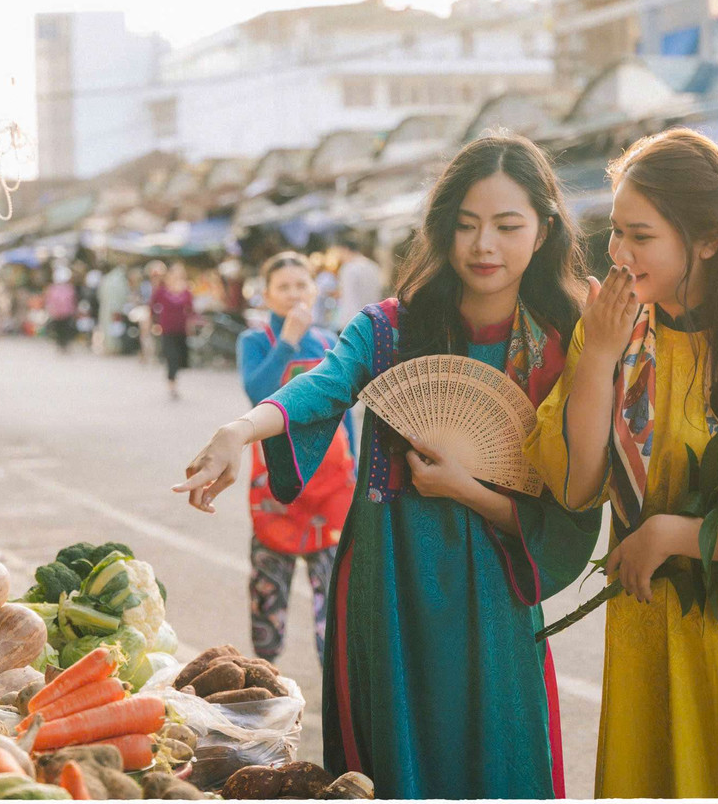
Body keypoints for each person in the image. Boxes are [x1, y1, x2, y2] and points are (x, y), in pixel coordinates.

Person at [173, 134, 600, 798]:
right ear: (441, 230)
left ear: (544, 230)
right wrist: (240, 429)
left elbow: (572, 503)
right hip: (390, 579)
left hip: (494, 589)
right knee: (394, 757)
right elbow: (323, 385)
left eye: (507, 226)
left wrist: (466, 488)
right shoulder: (389, 330)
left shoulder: (564, 349)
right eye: (465, 225)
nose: (484, 245)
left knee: (498, 751)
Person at [526, 127, 718, 797]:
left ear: (707, 239)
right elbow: (577, 484)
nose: (617, 253)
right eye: (614, 232)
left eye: (641, 236)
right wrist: (602, 357)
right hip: (646, 631)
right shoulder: (615, 325)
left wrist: (673, 533)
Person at [236, 252, 357, 667]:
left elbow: (344, 409)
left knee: (336, 593)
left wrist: (354, 463)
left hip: (330, 488)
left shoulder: (328, 341)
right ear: (267, 294)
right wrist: (286, 339)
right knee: (269, 591)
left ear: (314, 289)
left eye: (301, 285)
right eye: (283, 287)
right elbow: (258, 394)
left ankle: (335, 679)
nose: (293, 294)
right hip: (277, 486)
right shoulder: (255, 341)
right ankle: (265, 677)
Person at [152, 262, 194, 400]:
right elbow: (152, 305)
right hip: (167, 328)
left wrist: (190, 325)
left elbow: (190, 310)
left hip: (181, 329)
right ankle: (172, 384)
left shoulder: (186, 291)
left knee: (181, 358)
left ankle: (174, 379)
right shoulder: (162, 291)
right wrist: (155, 322)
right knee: (172, 356)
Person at [332, 236, 384, 328]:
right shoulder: (373, 266)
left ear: (345, 249)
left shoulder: (348, 268)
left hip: (354, 322)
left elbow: (349, 299)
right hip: (373, 319)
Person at [96, 264, 131, 355]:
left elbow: (100, 295)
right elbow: (123, 295)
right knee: (114, 329)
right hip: (116, 308)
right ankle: (113, 348)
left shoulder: (107, 279)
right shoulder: (119, 281)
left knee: (110, 329)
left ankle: (112, 348)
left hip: (106, 308)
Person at [44, 267, 78, 353]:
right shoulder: (69, 288)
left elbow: (49, 301)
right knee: (63, 329)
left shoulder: (53, 288)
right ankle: (62, 344)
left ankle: (62, 344)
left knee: (60, 329)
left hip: (59, 313)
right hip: (64, 313)